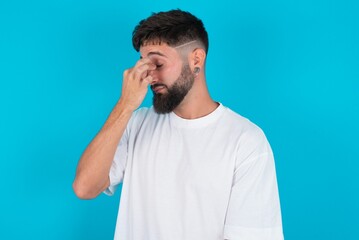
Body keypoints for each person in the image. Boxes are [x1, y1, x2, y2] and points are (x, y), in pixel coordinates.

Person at [73, 9, 284, 240]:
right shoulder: (136, 123)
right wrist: (125, 105)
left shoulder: (246, 141)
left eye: (157, 63)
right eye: (143, 65)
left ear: (196, 59)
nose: (150, 77)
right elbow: (85, 187)